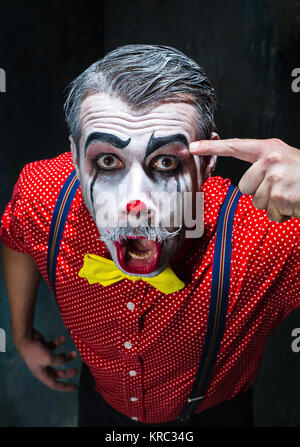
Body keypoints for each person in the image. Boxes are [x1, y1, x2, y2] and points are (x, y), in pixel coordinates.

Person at [1, 44, 300, 428]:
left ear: (207, 162)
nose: (135, 203)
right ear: (75, 157)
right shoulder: (42, 194)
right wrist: (22, 336)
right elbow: (16, 238)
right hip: (101, 407)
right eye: (108, 161)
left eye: (165, 161)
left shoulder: (266, 235)